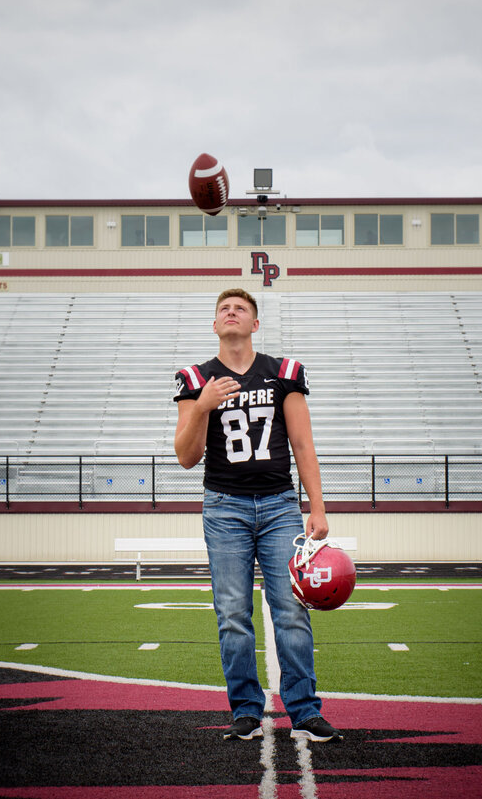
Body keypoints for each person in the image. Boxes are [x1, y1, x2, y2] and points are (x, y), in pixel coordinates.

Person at [173, 287, 343, 744]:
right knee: (232, 613)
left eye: (241, 308)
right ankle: (245, 711)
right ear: (214, 325)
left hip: (278, 505)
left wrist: (318, 506)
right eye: (224, 309)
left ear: (254, 324)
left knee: (290, 609)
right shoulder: (195, 378)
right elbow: (186, 457)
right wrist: (204, 407)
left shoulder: (282, 372)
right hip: (224, 506)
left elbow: (303, 444)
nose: (231, 313)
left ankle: (304, 710)